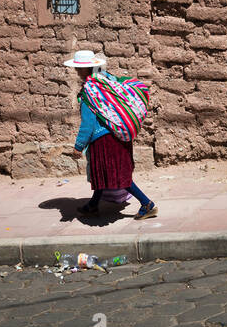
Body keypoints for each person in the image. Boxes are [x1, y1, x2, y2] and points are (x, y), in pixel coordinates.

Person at [64, 50, 158, 219]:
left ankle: (147, 204)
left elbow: (88, 124)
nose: (77, 72)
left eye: (79, 68)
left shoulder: (89, 91)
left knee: (119, 176)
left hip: (105, 141)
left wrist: (79, 146)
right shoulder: (108, 80)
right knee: (104, 174)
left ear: (88, 69)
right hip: (119, 136)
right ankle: (93, 205)